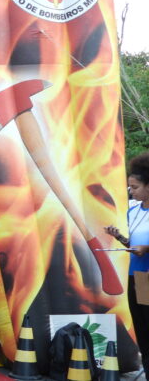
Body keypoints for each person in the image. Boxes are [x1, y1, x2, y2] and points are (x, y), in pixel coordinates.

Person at [105, 152, 149, 377]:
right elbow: (135, 243)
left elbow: (144, 246)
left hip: (147, 276)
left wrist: (146, 249)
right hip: (136, 275)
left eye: (135, 187)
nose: (131, 192)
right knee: (141, 326)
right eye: (130, 187)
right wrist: (120, 238)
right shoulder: (133, 211)